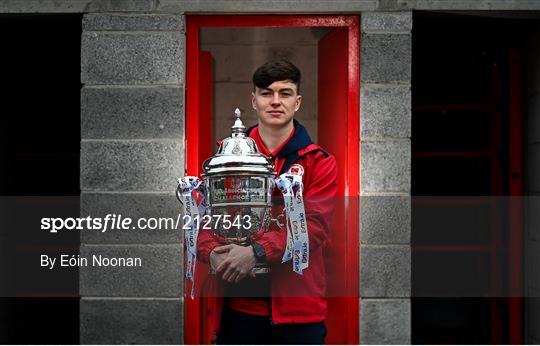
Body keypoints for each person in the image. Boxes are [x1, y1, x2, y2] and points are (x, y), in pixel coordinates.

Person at [196, 59, 338, 345]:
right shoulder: (224, 159)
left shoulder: (318, 162)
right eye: (266, 93)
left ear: (297, 102)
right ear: (254, 100)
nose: (275, 101)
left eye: (285, 93)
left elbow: (315, 227)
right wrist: (212, 252)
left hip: (298, 314)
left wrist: (257, 252)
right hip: (237, 309)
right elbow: (203, 217)